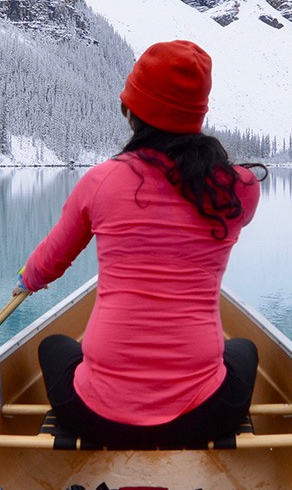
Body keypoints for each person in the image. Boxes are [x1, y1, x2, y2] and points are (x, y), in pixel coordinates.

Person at [14, 39, 265, 448]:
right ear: (197, 115)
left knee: (54, 346)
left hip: (98, 417)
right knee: (244, 349)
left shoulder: (100, 182)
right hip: (204, 415)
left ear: (133, 112)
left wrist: (29, 278)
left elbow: (51, 260)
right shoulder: (238, 189)